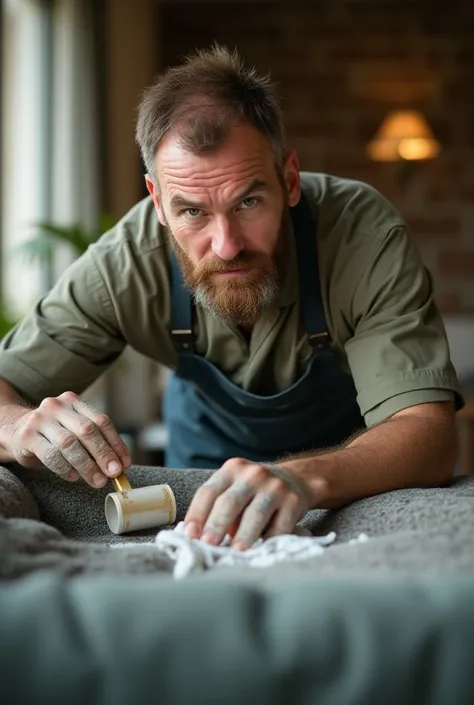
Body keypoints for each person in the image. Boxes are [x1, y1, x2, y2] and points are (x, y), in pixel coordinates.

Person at [0, 46, 463, 550]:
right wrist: (22, 423)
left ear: (289, 180)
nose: (226, 246)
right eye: (193, 212)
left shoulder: (361, 235)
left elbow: (428, 434)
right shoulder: (125, 261)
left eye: (248, 201)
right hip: (196, 484)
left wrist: (305, 479)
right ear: (157, 200)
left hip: (344, 484)